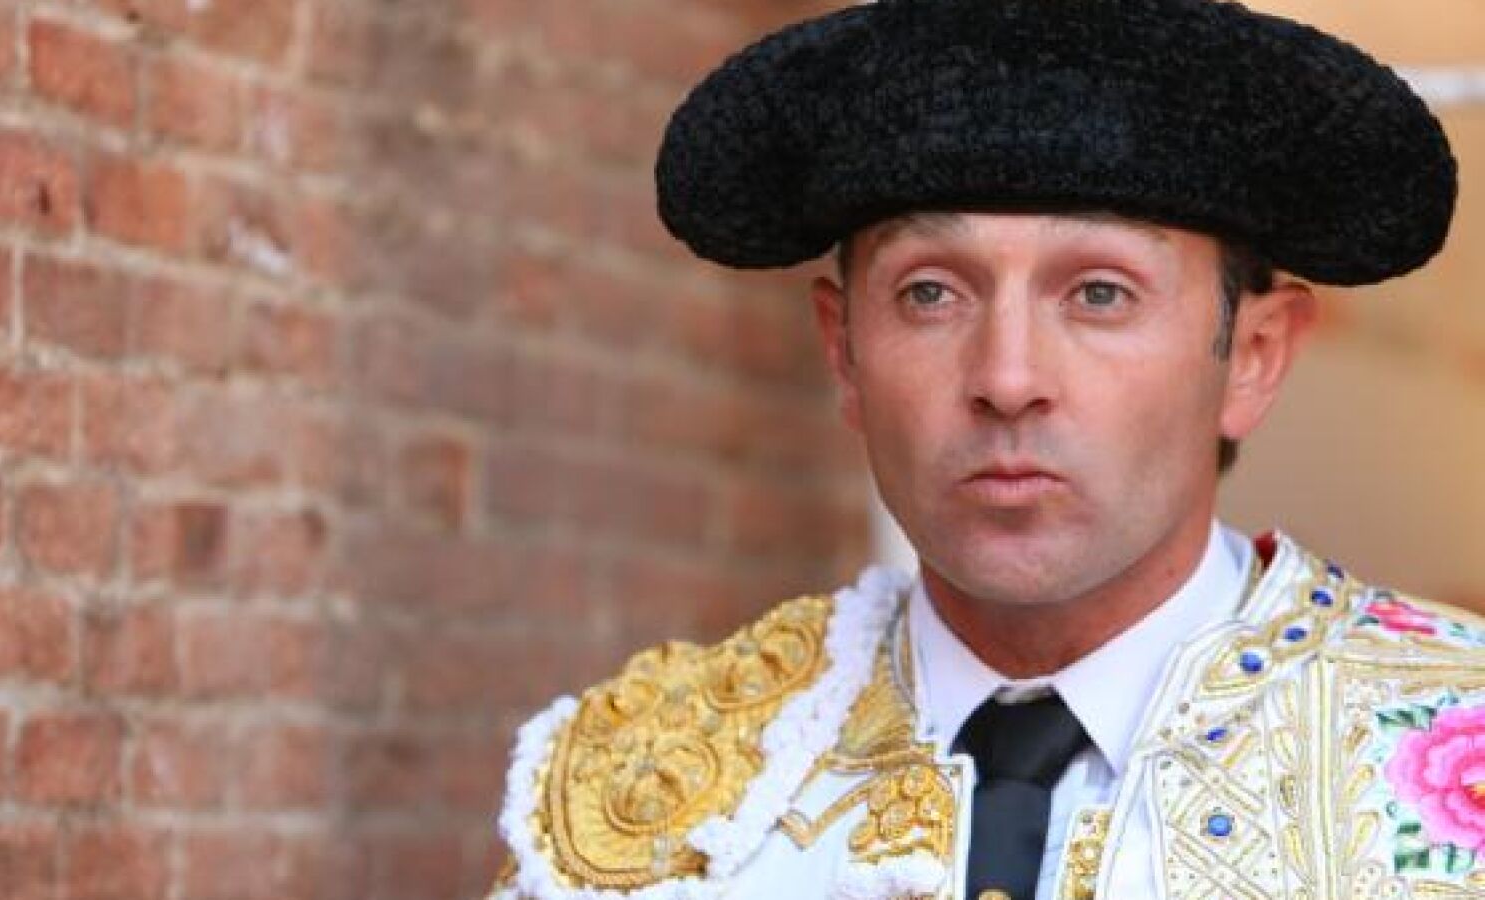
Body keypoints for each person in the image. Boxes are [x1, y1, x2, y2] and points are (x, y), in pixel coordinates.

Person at [485, 0, 1482, 897]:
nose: (1006, 377)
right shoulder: (639, 797)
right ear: (843, 350)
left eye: (1099, 293)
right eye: (930, 292)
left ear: (1253, 357)